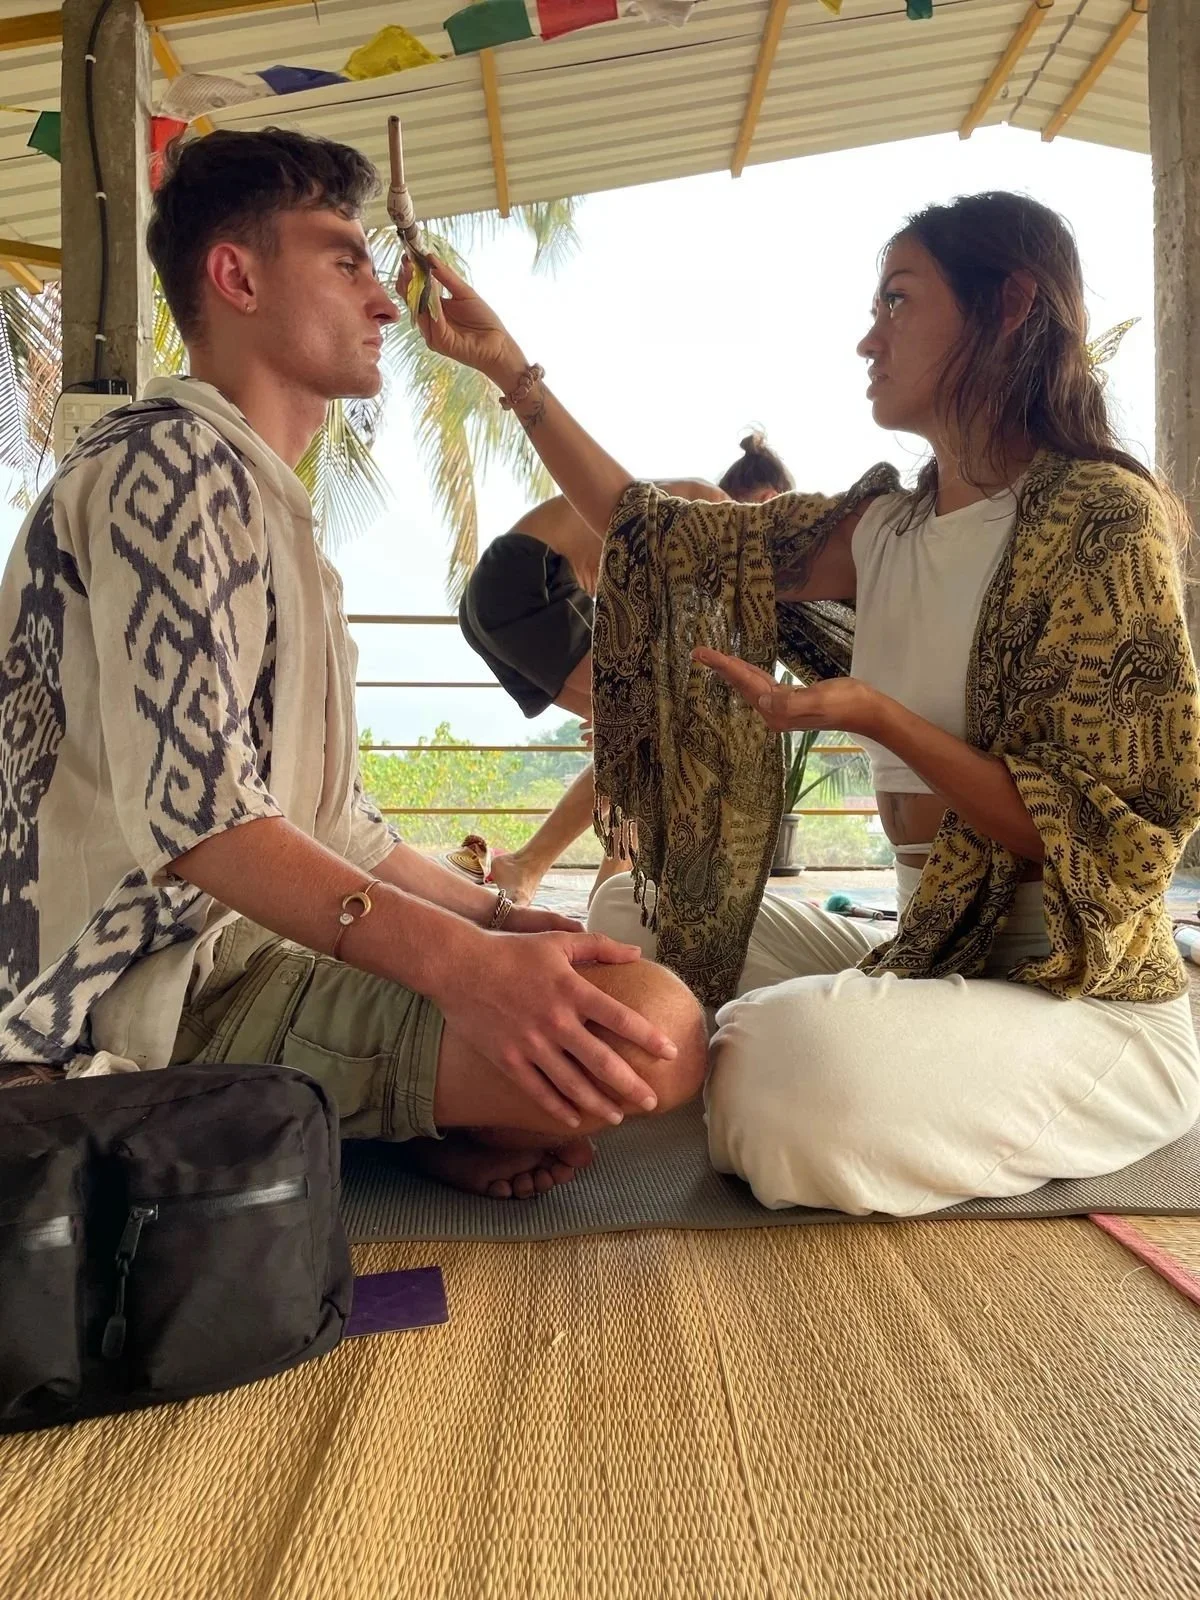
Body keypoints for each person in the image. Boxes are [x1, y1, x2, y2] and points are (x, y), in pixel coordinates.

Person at [403, 189, 1200, 1217]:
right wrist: (513, 371)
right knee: (618, 920)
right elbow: (656, 532)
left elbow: (1121, 841)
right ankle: (799, 1047)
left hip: (1077, 991)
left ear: (1009, 306)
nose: (870, 337)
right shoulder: (887, 526)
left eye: (900, 302)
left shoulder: (1103, 521)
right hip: (924, 944)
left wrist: (877, 716)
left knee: (781, 1067)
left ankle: (802, 1058)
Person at [0, 127, 708, 1200]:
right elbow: (204, 825)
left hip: (247, 952)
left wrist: (505, 921)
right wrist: (472, 971)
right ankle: (161, 1111)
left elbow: (333, 825)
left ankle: (354, 1123)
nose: (385, 302)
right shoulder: (169, 467)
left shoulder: (263, 504)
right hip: (140, 989)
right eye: (344, 259)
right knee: (656, 1034)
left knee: (608, 997)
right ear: (234, 275)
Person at [449, 434, 796, 907]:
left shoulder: (696, 525)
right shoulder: (711, 508)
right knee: (655, 730)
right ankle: (553, 875)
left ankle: (607, 897)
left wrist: (629, 714)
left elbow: (668, 648)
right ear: (771, 501)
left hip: (501, 594)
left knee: (646, 740)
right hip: (530, 581)